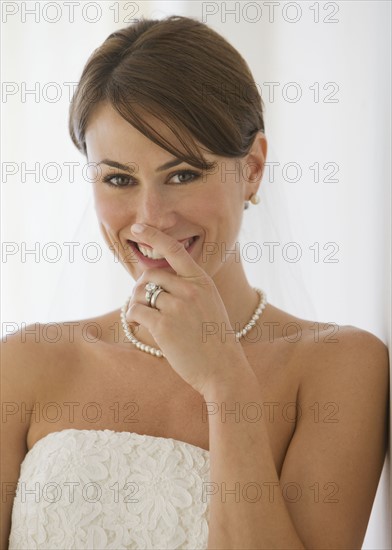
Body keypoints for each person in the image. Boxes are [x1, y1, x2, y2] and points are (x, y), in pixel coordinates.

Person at [2, 14, 389, 550]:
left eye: (182, 174)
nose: (149, 219)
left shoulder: (340, 367)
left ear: (251, 168)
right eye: (118, 179)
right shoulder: (23, 363)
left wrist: (225, 381)